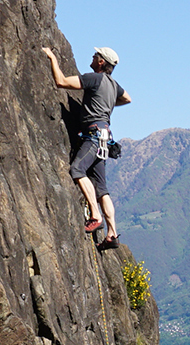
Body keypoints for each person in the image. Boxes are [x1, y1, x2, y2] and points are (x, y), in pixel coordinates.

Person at [41, 45, 131, 242]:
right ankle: (112, 233)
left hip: (93, 136)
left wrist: (51, 57)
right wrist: (107, 101)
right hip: (105, 139)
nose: (92, 56)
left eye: (96, 55)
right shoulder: (113, 85)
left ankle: (95, 215)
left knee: (77, 170)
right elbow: (127, 98)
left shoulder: (95, 79)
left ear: (101, 62)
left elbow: (61, 81)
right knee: (102, 188)